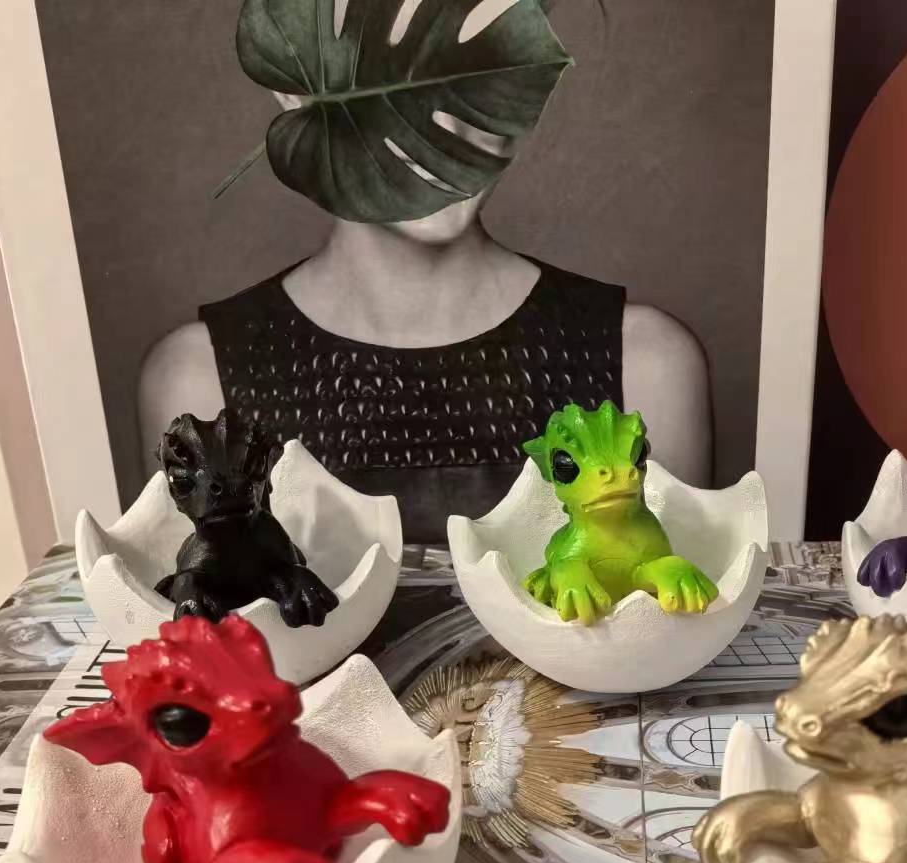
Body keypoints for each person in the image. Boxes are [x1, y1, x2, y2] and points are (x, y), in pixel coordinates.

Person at [138, 111, 712, 543]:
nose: (446, 129)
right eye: (400, 80)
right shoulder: (197, 380)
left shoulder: (647, 363)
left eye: (481, 79)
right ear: (299, 91)